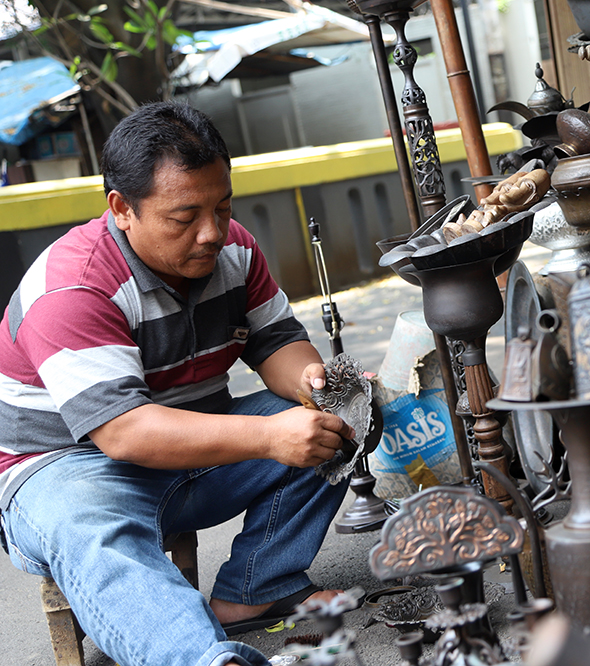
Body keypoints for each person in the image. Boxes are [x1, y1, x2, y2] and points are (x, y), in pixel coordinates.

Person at [0, 102, 356, 666]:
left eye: (222, 205)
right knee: (96, 530)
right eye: (183, 217)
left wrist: (313, 382)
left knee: (341, 421)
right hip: (69, 469)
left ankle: (256, 587)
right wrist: (268, 439)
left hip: (191, 452)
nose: (212, 232)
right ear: (122, 208)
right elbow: (125, 435)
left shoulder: (233, 249)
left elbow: (276, 342)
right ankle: (202, 658)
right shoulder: (72, 286)